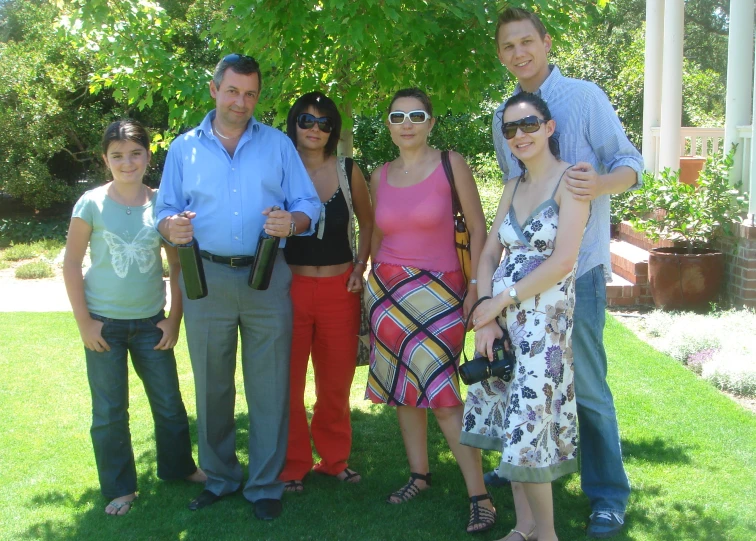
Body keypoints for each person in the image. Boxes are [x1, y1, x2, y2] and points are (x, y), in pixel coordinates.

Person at [484, 8, 645, 539]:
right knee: (522, 382)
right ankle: (526, 467)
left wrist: (596, 186)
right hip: (522, 285)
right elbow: (515, 194)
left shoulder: (586, 97)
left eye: (527, 42)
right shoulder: (501, 115)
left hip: (581, 270)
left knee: (590, 387)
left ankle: (606, 494)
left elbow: (630, 164)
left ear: (546, 42)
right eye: (509, 46)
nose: (519, 53)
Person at [155, 54, 321, 521]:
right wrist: (170, 225)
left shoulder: (278, 146)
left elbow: (309, 203)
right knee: (211, 385)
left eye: (250, 94)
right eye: (232, 91)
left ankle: (265, 484)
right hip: (205, 278)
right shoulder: (184, 149)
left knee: (269, 385)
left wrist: (295, 220)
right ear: (214, 90)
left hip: (267, 275)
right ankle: (222, 477)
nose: (241, 101)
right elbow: (163, 209)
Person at [461, 92, 589, 541]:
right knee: (507, 419)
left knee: (530, 425)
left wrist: (502, 299)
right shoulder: (513, 186)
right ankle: (523, 528)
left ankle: (548, 535)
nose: (520, 135)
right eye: (511, 129)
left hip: (544, 325)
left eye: (529, 124)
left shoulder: (571, 182)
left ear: (549, 128)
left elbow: (561, 261)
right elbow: (492, 249)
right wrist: (487, 313)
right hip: (503, 320)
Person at [63, 119, 206, 517]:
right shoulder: (90, 203)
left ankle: (179, 468)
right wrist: (85, 324)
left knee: (169, 403)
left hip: (150, 324)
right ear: (105, 159)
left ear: (148, 155)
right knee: (109, 412)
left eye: (135, 154)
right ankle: (120, 488)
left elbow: (177, 266)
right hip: (103, 324)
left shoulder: (162, 203)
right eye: (117, 156)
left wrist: (173, 319)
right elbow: (72, 264)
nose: (127, 163)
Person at [366, 88, 493, 534]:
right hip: (388, 294)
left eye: (417, 115)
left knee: (441, 396)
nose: (407, 123)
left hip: (442, 293)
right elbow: (377, 237)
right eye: (397, 116)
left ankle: (480, 494)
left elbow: (479, 229)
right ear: (388, 124)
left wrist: (477, 287)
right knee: (403, 389)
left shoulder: (450, 163)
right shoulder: (379, 175)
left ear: (431, 122)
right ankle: (419, 475)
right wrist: (369, 285)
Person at [279, 91, 373, 492]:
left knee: (334, 383)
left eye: (323, 122)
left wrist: (359, 266)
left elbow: (368, 224)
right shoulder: (278, 167)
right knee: (288, 382)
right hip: (288, 288)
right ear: (294, 124)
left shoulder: (348, 169)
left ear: (333, 129)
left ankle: (334, 460)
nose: (315, 129)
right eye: (306, 120)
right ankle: (293, 465)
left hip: (340, 289)